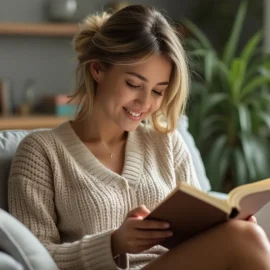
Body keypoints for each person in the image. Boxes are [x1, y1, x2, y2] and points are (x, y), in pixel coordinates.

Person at [8, 5, 270, 270]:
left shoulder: (166, 142)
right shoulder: (41, 153)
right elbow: (32, 258)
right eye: (134, 85)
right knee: (246, 239)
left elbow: (198, 231)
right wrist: (112, 244)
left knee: (245, 235)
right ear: (98, 69)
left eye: (158, 91)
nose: (144, 103)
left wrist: (224, 227)